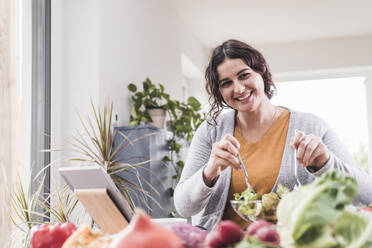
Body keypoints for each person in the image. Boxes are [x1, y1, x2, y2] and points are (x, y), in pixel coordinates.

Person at [173, 39, 372, 231]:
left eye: (244, 75)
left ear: (261, 73)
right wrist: (210, 171)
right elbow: (184, 207)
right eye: (226, 83)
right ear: (219, 92)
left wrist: (325, 164)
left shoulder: (311, 126)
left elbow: (366, 195)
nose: (239, 89)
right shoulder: (211, 131)